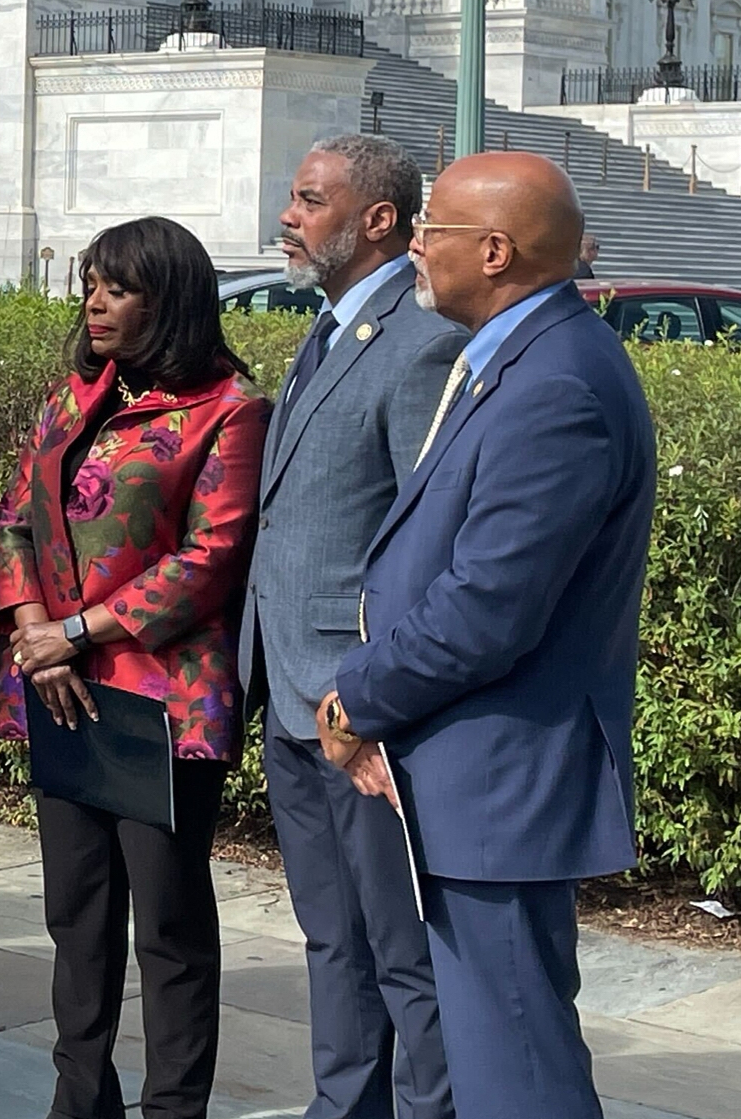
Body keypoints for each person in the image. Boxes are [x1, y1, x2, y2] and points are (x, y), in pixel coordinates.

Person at [319, 154, 656, 1119]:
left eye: (433, 229)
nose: (414, 246)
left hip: (500, 784)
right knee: (499, 1055)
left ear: (496, 251)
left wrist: (357, 698)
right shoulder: (520, 354)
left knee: (518, 1069)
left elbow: (487, 607)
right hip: (472, 777)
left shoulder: (557, 380)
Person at [0, 216, 266, 1119]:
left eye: (117, 287)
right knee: (77, 914)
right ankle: (79, 1100)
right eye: (89, 284)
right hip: (57, 685)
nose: (93, 303)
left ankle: (173, 1107)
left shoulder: (228, 409)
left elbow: (210, 557)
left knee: (170, 925)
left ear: (169, 298)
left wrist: (77, 629)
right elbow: (14, 514)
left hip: (161, 706)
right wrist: (36, 631)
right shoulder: (74, 394)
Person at [244, 138, 463, 1119]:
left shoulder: (419, 343)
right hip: (289, 692)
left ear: (380, 218)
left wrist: (376, 700)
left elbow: (425, 547)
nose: (288, 214)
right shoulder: (327, 328)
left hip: (356, 707)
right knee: (332, 939)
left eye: (308, 198)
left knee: (403, 954)